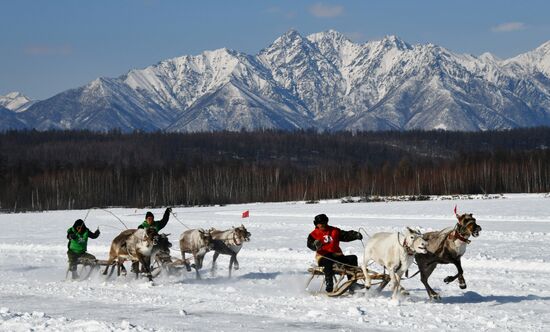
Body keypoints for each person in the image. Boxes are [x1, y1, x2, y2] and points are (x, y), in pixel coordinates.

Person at [306, 213, 362, 293]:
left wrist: (355, 235)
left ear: (327, 222)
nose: (322, 225)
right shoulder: (313, 234)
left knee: (353, 258)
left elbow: (345, 235)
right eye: (320, 223)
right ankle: (329, 283)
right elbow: (310, 245)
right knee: (328, 257)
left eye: (324, 222)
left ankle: (352, 284)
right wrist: (315, 245)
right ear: (316, 224)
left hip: (337, 257)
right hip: (323, 258)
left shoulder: (334, 231)